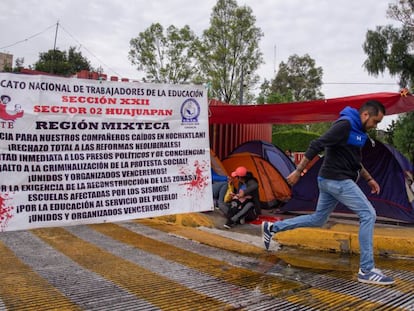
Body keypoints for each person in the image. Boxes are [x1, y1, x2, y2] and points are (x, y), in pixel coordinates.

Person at [262, 100, 394, 286]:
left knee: (318, 219)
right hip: (337, 180)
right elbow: (317, 144)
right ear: (365, 115)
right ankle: (366, 269)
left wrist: (369, 178)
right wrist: (298, 171)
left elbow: (354, 160)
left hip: (328, 181)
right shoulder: (345, 125)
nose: (375, 126)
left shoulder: (358, 131)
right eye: (375, 121)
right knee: (368, 214)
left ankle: (272, 228)